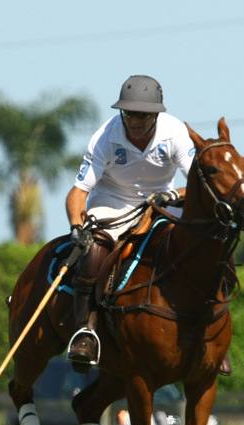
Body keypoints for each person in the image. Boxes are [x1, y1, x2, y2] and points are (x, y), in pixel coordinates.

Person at [64, 75, 195, 373]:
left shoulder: (175, 133)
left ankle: (207, 330)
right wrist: (76, 227)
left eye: (142, 114)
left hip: (161, 203)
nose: (134, 120)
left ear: (156, 114)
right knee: (94, 249)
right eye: (129, 112)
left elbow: (199, 182)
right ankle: (85, 332)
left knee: (199, 247)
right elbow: (78, 192)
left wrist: (173, 195)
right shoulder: (105, 137)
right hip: (112, 202)